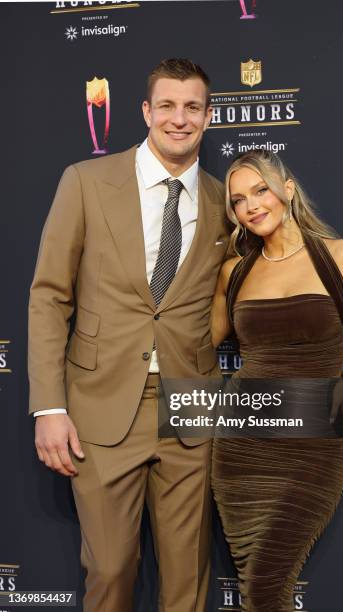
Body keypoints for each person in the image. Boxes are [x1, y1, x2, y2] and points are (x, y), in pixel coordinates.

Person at [28, 58, 228, 612]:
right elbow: (49, 295)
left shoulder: (222, 201)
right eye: (167, 105)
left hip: (191, 411)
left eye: (192, 107)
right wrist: (48, 406)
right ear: (145, 111)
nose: (179, 119)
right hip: (101, 407)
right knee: (112, 572)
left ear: (208, 117)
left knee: (187, 583)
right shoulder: (86, 182)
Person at [210, 150, 343, 611]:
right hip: (241, 447)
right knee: (254, 587)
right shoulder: (234, 272)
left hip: (312, 446)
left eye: (261, 190)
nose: (252, 206)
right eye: (238, 200)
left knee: (265, 587)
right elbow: (197, 344)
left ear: (288, 190)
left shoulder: (341, 257)